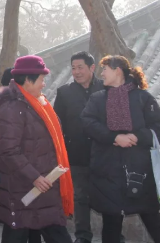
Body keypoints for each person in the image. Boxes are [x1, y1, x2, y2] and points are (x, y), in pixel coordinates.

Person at [81, 55, 160, 243]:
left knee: (153, 221)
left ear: (117, 71)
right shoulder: (97, 99)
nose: (102, 74)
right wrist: (114, 137)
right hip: (108, 171)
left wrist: (138, 136)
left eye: (105, 69)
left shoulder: (143, 98)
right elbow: (87, 122)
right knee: (111, 224)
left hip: (140, 172)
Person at [0, 55, 73, 243]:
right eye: (41, 79)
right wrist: (34, 176)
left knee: (34, 231)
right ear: (28, 79)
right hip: (24, 187)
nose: (44, 84)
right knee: (21, 232)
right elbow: (8, 150)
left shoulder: (36, 103)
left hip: (43, 185)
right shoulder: (12, 107)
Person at [54, 52, 111, 243]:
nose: (76, 72)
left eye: (80, 67)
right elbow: (58, 126)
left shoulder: (106, 88)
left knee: (109, 196)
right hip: (76, 154)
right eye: (73, 68)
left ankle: (113, 236)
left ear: (92, 68)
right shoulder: (64, 92)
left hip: (104, 155)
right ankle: (83, 236)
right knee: (80, 198)